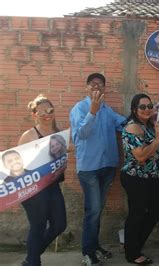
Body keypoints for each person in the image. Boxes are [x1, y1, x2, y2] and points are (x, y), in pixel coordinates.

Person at [70, 73, 126, 265]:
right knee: (92, 210)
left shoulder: (107, 110)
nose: (97, 87)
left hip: (107, 166)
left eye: (101, 85)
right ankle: (88, 252)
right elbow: (81, 136)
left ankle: (94, 246)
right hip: (89, 168)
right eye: (93, 84)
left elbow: (123, 124)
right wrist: (92, 112)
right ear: (87, 87)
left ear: (104, 89)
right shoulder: (80, 108)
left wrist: (143, 116)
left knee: (98, 209)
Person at [17, 94, 67, 266]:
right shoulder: (30, 135)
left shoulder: (59, 133)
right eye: (41, 112)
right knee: (38, 226)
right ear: (34, 115)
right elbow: (17, 165)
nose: (47, 114)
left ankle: (33, 254)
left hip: (52, 186)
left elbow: (60, 161)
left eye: (49, 110)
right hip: (33, 189)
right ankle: (33, 261)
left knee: (60, 224)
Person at [120, 94, 159, 264]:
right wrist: (158, 140)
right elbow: (141, 156)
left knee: (157, 210)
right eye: (142, 107)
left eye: (149, 106)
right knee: (137, 214)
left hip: (152, 178)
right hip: (135, 177)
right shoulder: (133, 128)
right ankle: (132, 253)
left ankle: (135, 245)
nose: (147, 109)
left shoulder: (152, 126)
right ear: (134, 110)